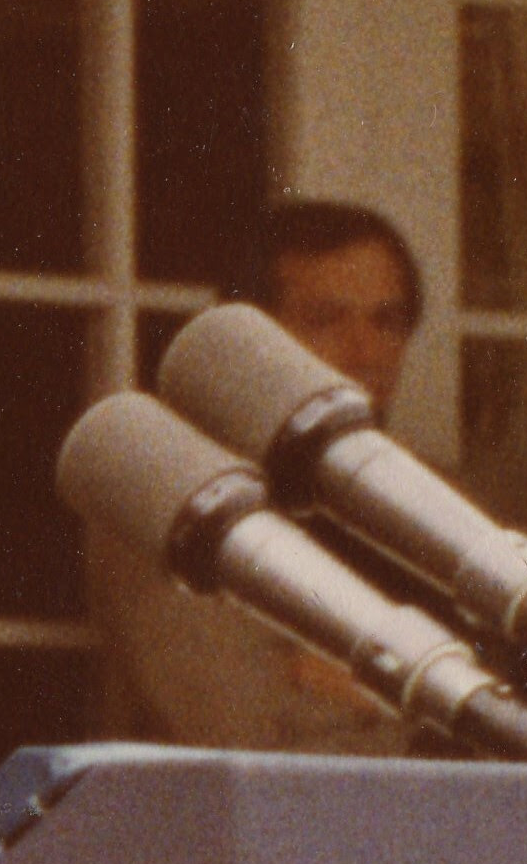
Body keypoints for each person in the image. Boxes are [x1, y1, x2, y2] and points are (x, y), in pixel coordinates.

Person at [89, 196, 430, 753]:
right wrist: (428, 695)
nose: (365, 351)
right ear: (245, 341)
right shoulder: (174, 500)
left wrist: (354, 688)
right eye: (326, 320)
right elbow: (239, 736)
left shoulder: (444, 504)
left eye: (386, 322)